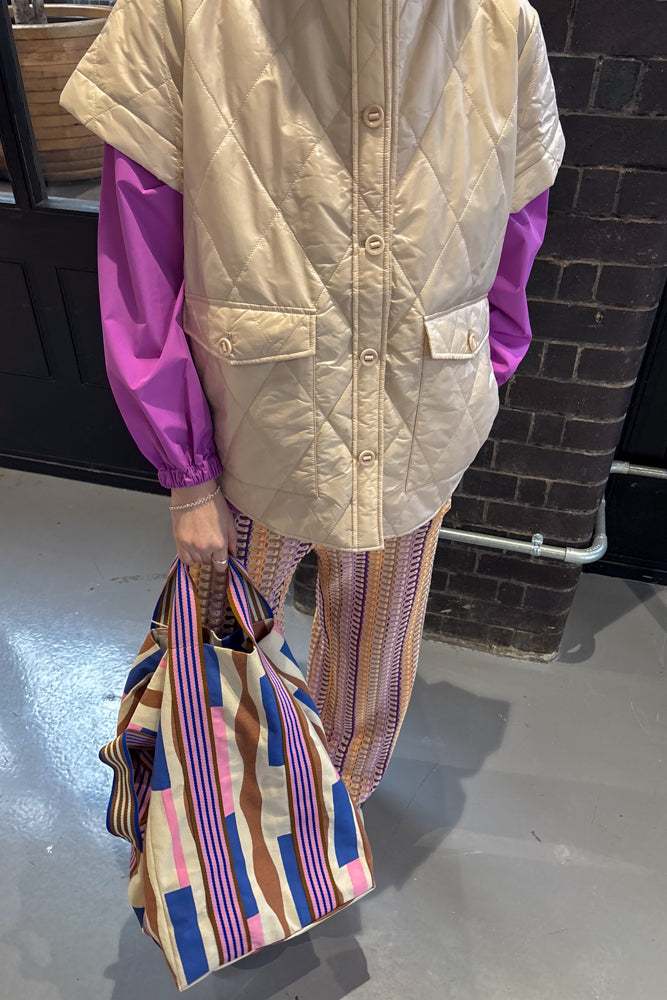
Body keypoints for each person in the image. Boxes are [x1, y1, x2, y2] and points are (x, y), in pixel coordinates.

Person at [60, 0, 564, 807]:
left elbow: (517, 226)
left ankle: (336, 808)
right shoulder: (180, 13)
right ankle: (215, 818)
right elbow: (140, 262)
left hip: (417, 420)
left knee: (374, 653)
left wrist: (476, 373)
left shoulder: (500, 23)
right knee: (219, 645)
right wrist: (186, 473)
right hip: (253, 428)